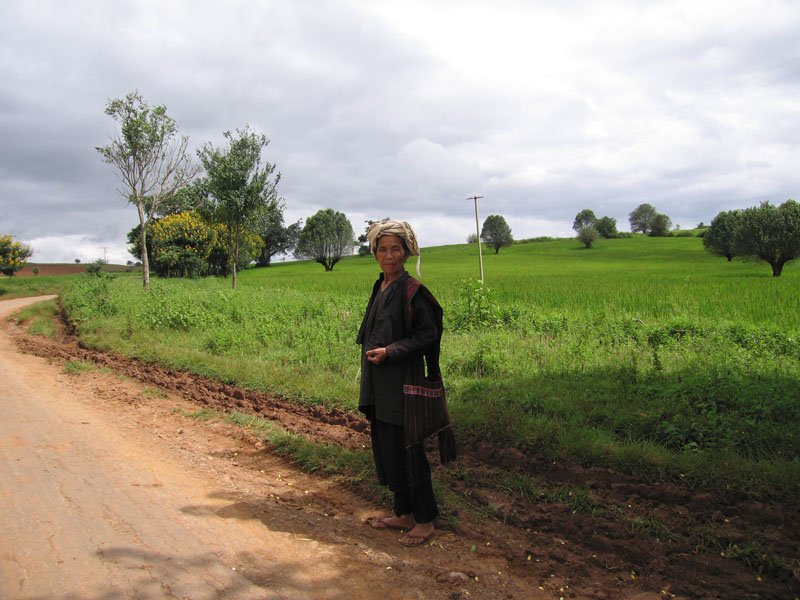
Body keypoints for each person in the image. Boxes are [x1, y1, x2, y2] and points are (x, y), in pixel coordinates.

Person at [357, 219, 456, 547]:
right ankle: (403, 513)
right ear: (374, 252)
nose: (388, 255)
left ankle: (425, 519)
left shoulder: (414, 291)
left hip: (402, 384)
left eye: (395, 249)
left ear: (407, 251)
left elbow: (427, 335)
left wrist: (391, 351)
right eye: (382, 249)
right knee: (387, 448)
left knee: (409, 450)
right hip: (379, 383)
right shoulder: (380, 285)